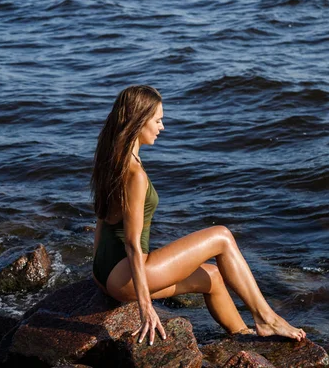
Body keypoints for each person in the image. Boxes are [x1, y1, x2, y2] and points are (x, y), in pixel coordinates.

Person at [91, 85, 306, 346]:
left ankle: (244, 338)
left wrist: (98, 272)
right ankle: (266, 317)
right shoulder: (135, 174)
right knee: (222, 236)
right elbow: (133, 245)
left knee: (213, 277)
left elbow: (101, 218)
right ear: (138, 121)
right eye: (158, 120)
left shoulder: (111, 158)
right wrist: (145, 307)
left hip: (105, 272)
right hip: (125, 276)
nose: (162, 127)